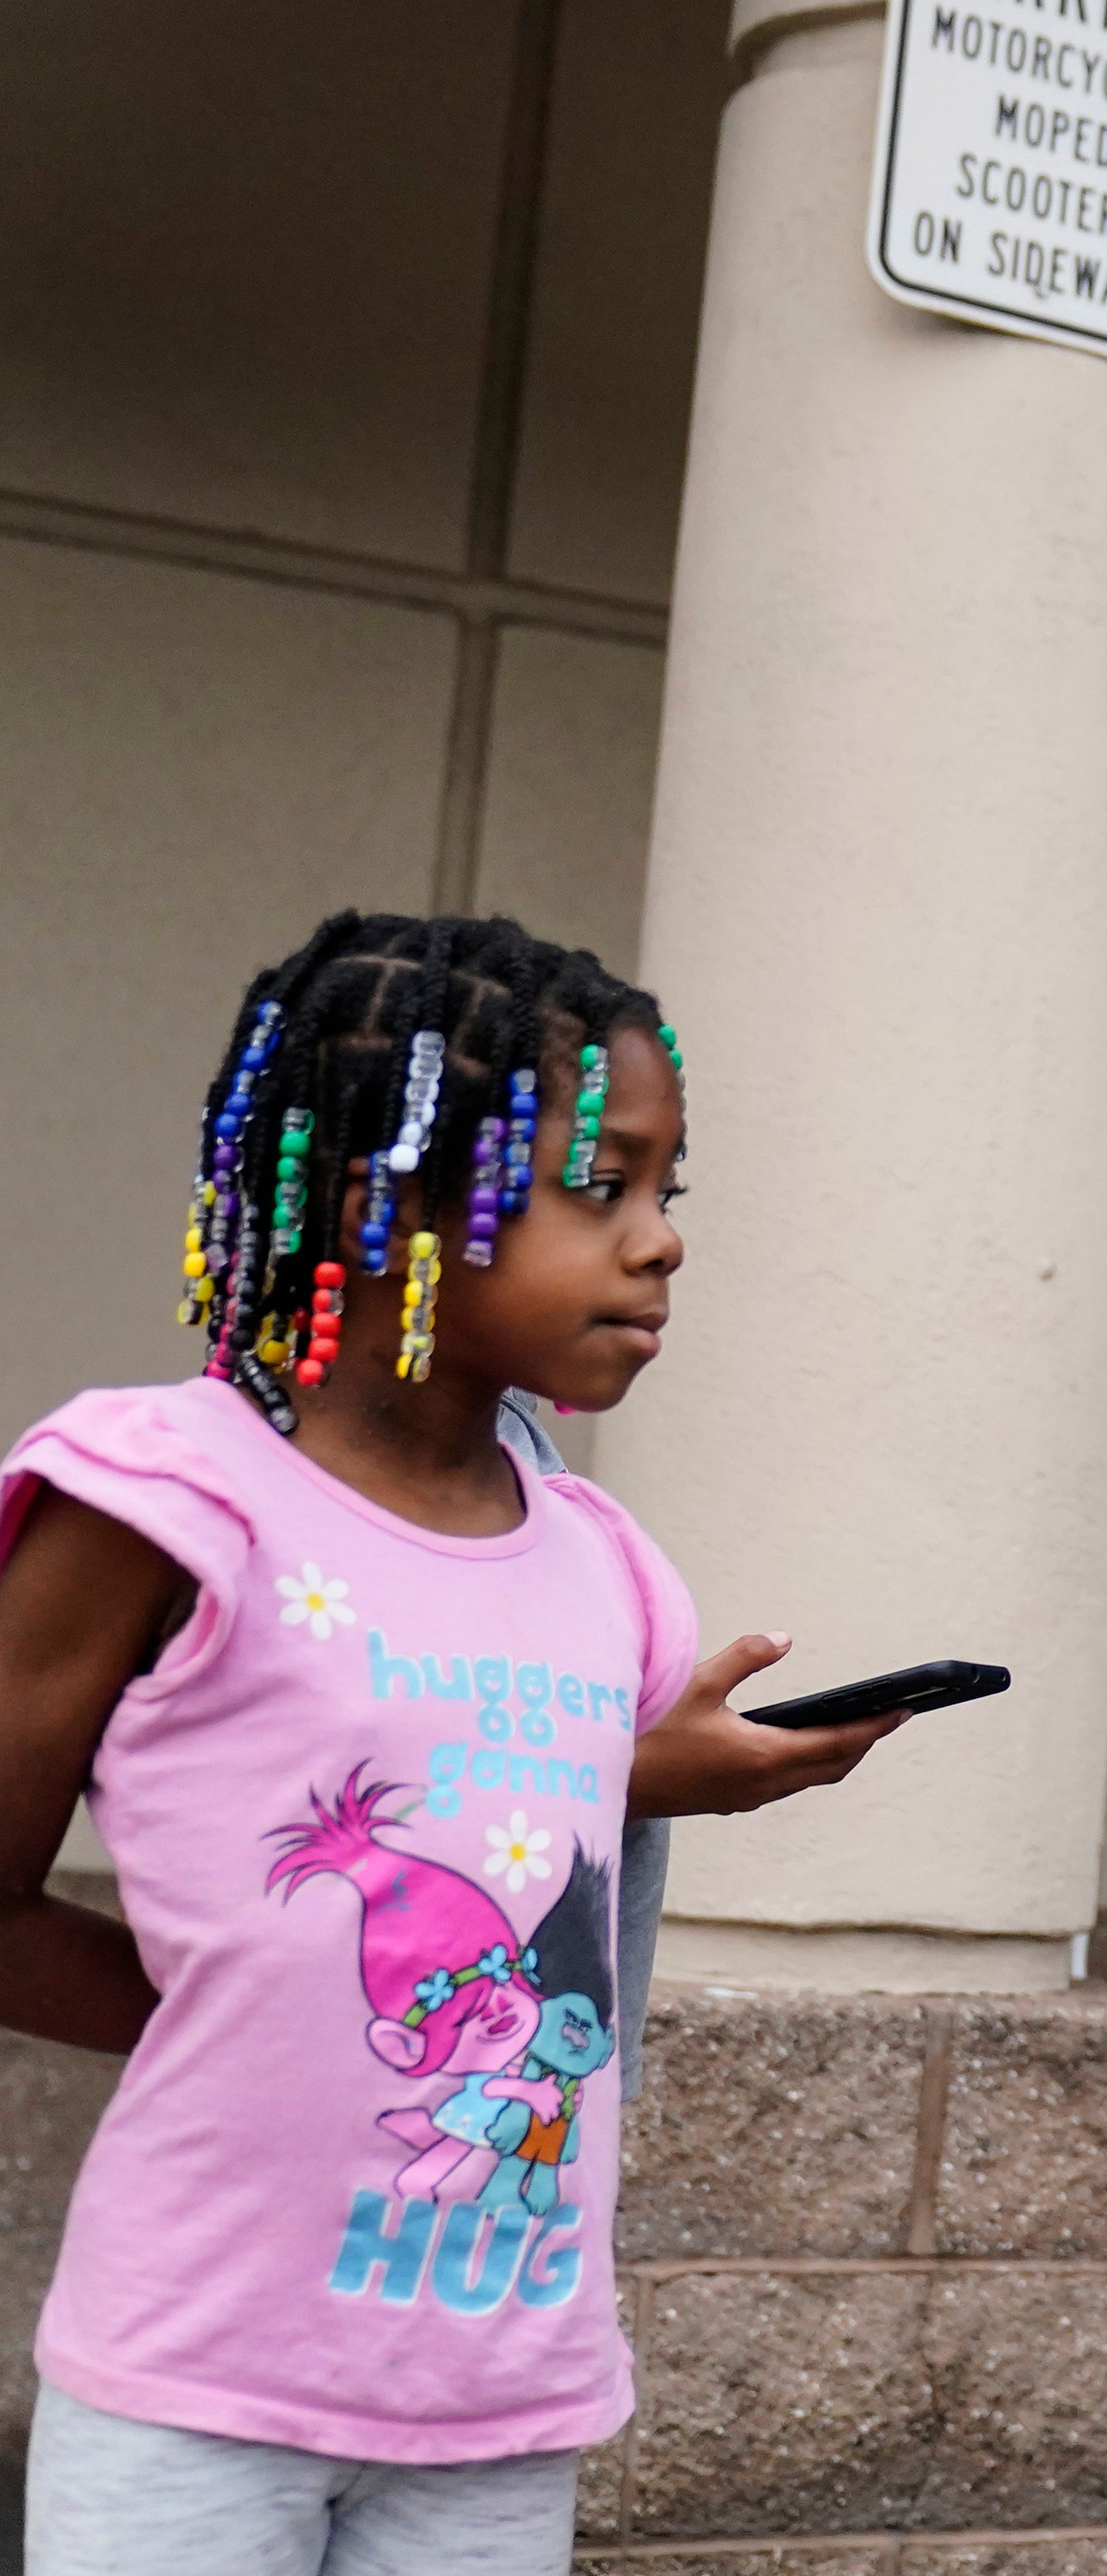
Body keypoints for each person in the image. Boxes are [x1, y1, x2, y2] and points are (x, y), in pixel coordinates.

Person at [0, 913, 902, 2575]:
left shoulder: (604, 1560)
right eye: (599, 1185)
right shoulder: (158, 1498)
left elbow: (515, 1826)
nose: (659, 1245)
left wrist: (667, 1770)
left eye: (667, 1194)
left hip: (500, 2395)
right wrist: (240, 2019)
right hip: (201, 2379)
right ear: (382, 1201)